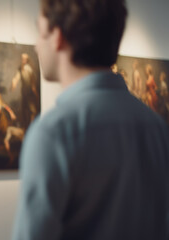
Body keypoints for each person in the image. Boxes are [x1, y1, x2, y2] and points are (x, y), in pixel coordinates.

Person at [12, 1, 169, 240]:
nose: (35, 45)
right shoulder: (157, 128)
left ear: (57, 37)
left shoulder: (53, 133)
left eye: (40, 31)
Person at [11, 53, 39, 127]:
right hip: (24, 93)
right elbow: (16, 77)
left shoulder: (29, 69)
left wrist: (35, 93)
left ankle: (32, 127)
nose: (23, 60)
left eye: (24, 58)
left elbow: (33, 82)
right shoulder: (21, 68)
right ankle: (25, 128)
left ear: (27, 60)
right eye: (22, 58)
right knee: (24, 111)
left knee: (32, 111)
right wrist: (14, 83)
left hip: (30, 93)